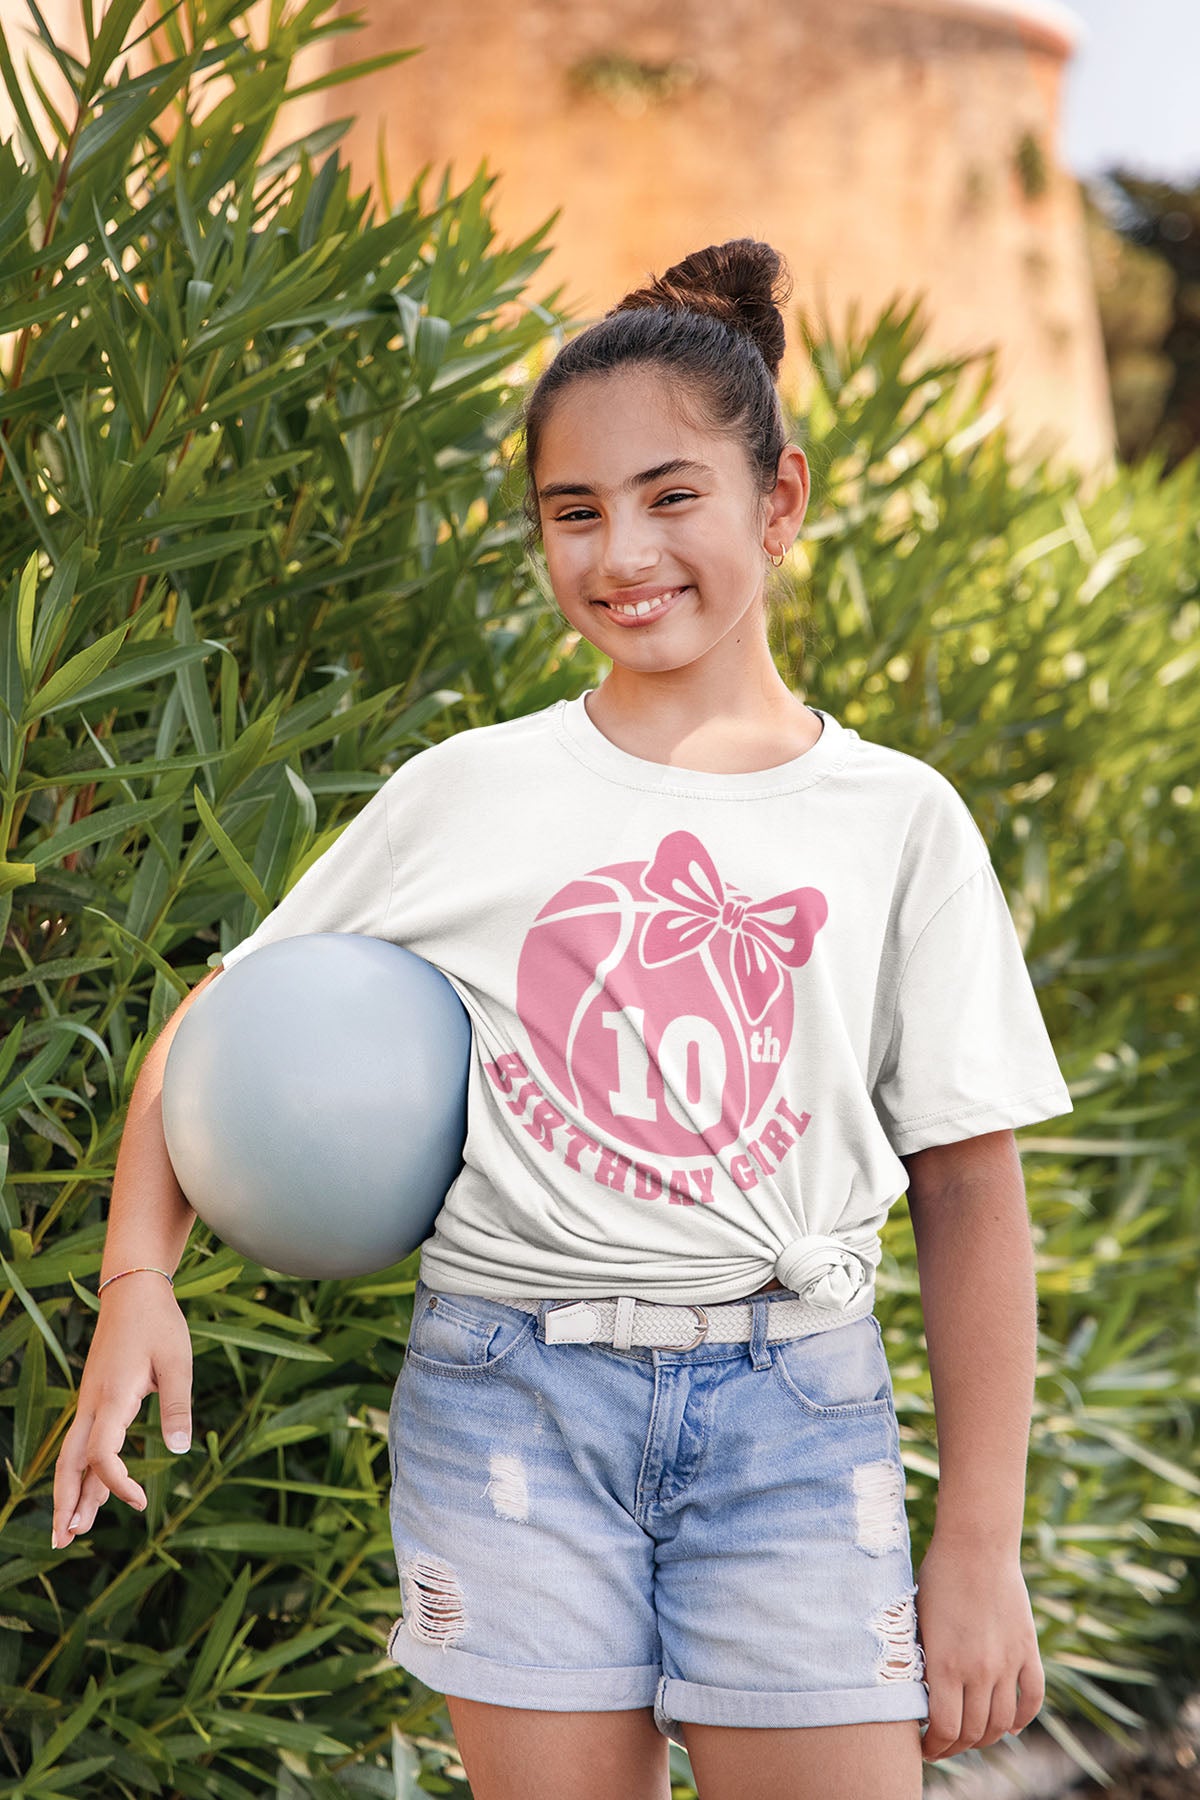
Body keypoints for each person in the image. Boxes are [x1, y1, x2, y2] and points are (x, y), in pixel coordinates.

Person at [52, 238, 1073, 1800]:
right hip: (511, 1406)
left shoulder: (897, 822)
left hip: (796, 1421)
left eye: (673, 496)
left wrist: (981, 1545)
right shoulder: (470, 794)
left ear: (779, 502)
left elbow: (968, 1183)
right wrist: (138, 1280)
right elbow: (214, 1023)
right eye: (574, 512)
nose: (623, 552)